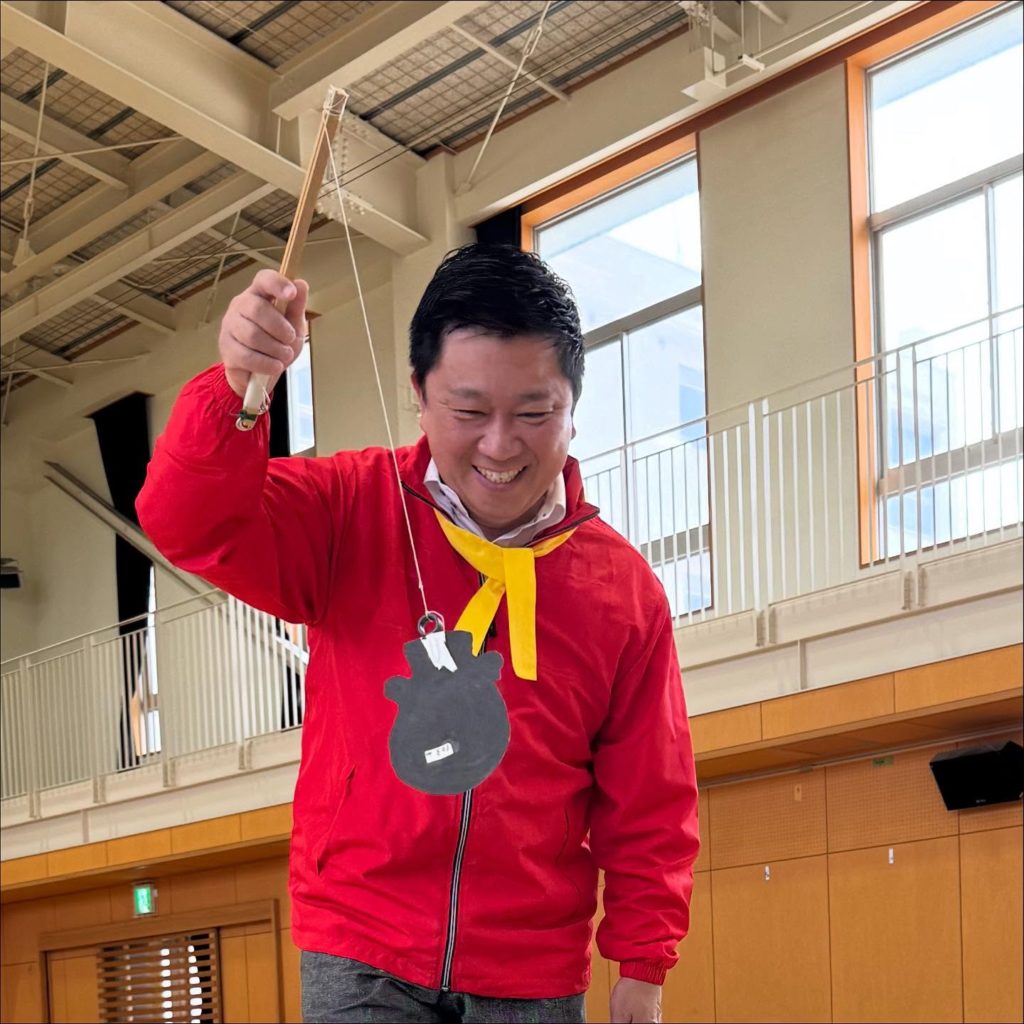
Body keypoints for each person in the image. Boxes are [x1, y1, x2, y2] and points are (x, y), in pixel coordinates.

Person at [137, 244, 700, 1024]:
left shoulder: (624, 592)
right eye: (469, 412)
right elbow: (187, 523)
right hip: (362, 949)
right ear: (419, 395)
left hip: (531, 970)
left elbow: (650, 796)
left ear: (573, 405)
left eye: (534, 414)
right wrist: (236, 387)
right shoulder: (347, 509)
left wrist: (644, 961)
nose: (499, 445)